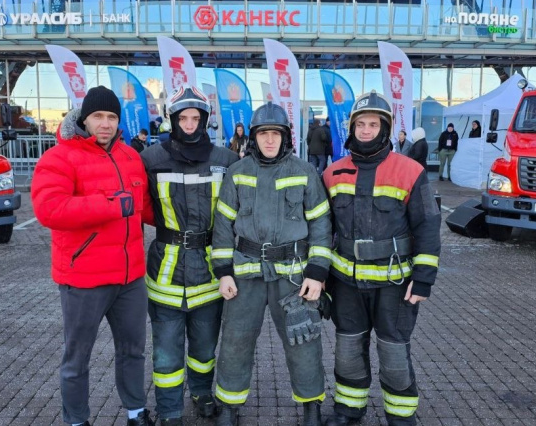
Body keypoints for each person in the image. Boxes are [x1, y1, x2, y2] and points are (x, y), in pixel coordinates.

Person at [31, 86, 155, 426]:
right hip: (84, 279)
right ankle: (77, 420)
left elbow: (145, 208)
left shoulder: (130, 156)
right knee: (77, 357)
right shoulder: (59, 157)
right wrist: (110, 205)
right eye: (98, 116)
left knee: (133, 351)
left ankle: (135, 412)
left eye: (112, 117)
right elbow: (49, 209)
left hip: (130, 278)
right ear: (83, 118)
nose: (105, 124)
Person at [322, 91, 441, 426]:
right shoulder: (332, 173)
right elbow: (322, 230)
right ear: (352, 127)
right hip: (345, 283)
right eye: (360, 123)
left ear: (385, 127)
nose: (365, 129)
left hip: (395, 284)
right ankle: (348, 409)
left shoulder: (410, 171)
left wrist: (423, 279)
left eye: (373, 123)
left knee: (393, 351)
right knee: (347, 351)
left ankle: (401, 417)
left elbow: (428, 227)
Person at [211, 102, 333, 426]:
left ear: (285, 137)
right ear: (253, 137)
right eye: (263, 133)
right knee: (235, 340)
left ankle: (311, 407)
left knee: (304, 342)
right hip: (245, 274)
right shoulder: (237, 173)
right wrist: (223, 273)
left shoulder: (304, 172)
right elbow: (223, 226)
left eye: (275, 134)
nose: (269, 140)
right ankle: (228, 406)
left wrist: (318, 273)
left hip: (294, 277)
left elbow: (321, 225)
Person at [140, 86, 239, 426]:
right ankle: (169, 411)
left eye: (196, 118)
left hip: (210, 271)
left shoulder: (226, 160)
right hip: (165, 271)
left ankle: (201, 393)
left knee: (204, 348)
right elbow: (141, 208)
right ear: (172, 120)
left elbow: (237, 214)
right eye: (183, 118)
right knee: (166, 353)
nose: (189, 124)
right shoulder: (151, 159)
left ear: (206, 121)